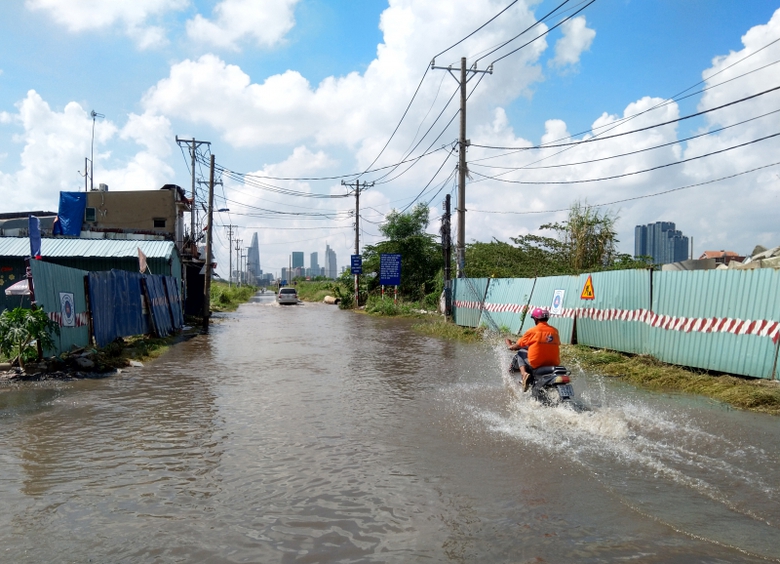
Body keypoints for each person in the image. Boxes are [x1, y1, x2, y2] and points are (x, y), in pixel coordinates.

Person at [506, 307, 561, 392]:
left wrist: (509, 344)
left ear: (535, 319)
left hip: (537, 363)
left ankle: (524, 375)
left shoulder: (532, 331)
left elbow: (516, 346)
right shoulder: (555, 331)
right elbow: (548, 344)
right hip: (554, 363)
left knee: (520, 352)